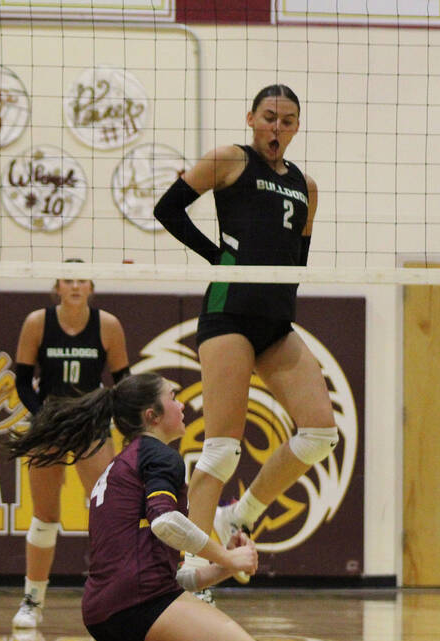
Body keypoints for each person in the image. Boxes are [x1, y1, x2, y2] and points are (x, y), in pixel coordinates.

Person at [8, 373, 279, 641]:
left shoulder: (117, 466)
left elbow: (156, 567)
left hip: (101, 614)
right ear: (152, 415)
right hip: (141, 602)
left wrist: (222, 568)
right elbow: (165, 522)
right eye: (173, 396)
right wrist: (226, 557)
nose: (182, 405)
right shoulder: (159, 456)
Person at [153, 84, 336, 577]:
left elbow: (298, 258)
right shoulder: (229, 159)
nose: (277, 127)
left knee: (320, 433)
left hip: (276, 321)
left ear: (297, 127)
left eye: (288, 120)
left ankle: (241, 514)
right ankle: (192, 569)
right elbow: (166, 210)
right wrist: (217, 255)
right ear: (251, 118)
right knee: (222, 448)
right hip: (229, 312)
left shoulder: (306, 186)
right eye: (270, 117)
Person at [10, 273, 129, 628]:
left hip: (90, 425)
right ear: (57, 286)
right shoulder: (37, 322)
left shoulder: (107, 325)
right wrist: (44, 415)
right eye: (68, 280)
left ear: (92, 286)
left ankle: (115, 598)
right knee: (45, 516)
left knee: (108, 513)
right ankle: (33, 600)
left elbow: (123, 382)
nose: (75, 286)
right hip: (49, 423)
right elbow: (21, 380)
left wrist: (103, 413)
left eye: (82, 280)